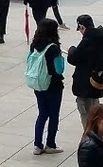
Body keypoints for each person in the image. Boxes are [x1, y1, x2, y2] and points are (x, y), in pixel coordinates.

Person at [28, 18, 66, 155]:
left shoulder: (34, 45)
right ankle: (51, 143)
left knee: (42, 113)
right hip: (53, 85)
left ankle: (37, 145)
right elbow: (59, 69)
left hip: (38, 83)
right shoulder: (54, 48)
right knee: (53, 114)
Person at [68, 15, 103, 126]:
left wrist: (72, 50)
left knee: (86, 113)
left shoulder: (87, 41)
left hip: (85, 83)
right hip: (99, 82)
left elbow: (73, 59)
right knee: (95, 109)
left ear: (82, 27)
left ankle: (90, 136)